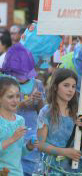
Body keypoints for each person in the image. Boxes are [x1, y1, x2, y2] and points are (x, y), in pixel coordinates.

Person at [1, 43, 46, 175]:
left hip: (29, 130)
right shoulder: (5, 82)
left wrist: (38, 100)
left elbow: (42, 112)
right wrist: (22, 104)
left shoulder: (37, 84)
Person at [37, 68, 82, 175]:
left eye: (73, 86)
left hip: (72, 168)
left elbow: (80, 146)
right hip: (52, 168)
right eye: (66, 85)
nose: (71, 90)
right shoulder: (46, 112)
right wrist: (64, 152)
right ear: (55, 86)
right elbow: (40, 145)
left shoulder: (77, 113)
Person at [0, 76, 38, 176]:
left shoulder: (20, 120)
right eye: (10, 97)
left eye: (17, 96)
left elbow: (18, 153)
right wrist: (12, 138)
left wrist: (29, 146)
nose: (16, 100)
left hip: (18, 173)